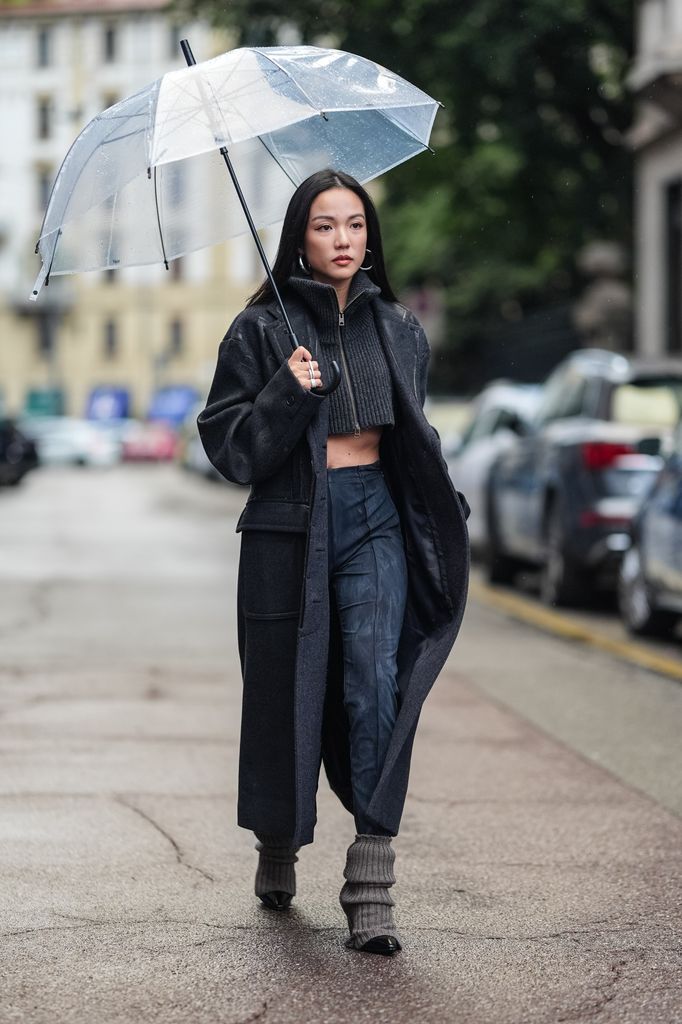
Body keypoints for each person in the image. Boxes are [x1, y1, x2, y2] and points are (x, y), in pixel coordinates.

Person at [198, 168, 470, 957]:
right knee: (287, 695)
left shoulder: (398, 327)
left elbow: (415, 436)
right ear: (299, 236)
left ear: (369, 235)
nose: (343, 239)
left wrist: (446, 509)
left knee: (374, 680)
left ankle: (371, 882)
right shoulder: (260, 332)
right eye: (325, 225)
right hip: (289, 534)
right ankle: (277, 844)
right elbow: (231, 451)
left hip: (375, 520)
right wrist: (287, 391)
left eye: (354, 224)